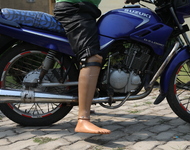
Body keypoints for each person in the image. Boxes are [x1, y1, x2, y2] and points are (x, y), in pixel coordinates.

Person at [54, 0, 138, 134]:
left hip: (83, 9)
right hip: (75, 10)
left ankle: (86, 99)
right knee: (91, 58)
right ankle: (83, 120)